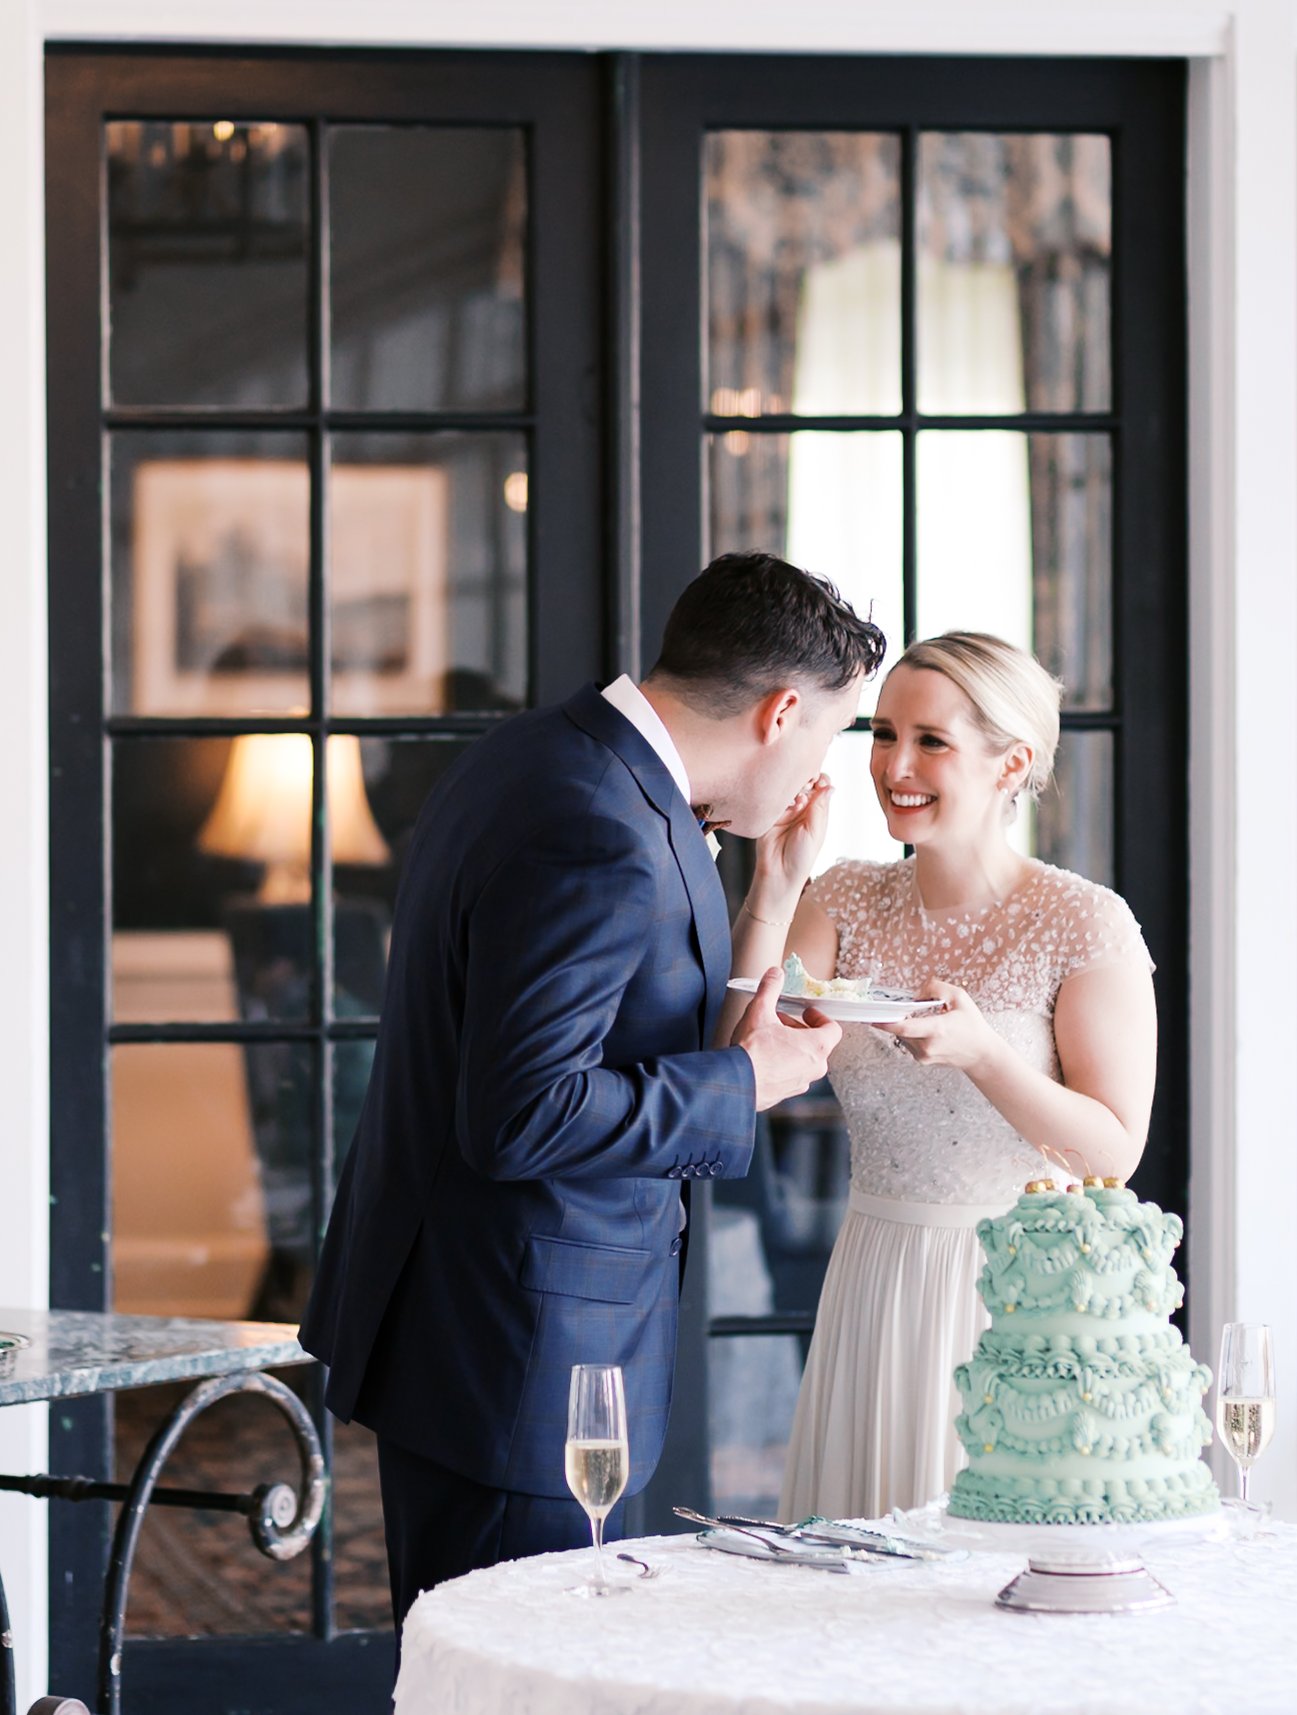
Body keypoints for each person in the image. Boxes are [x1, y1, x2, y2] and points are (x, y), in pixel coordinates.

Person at [302, 553, 885, 1625]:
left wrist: (778, 888)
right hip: (520, 1356)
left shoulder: (559, 756)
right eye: (831, 736)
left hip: (486, 1331)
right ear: (782, 711)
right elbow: (524, 1111)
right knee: (521, 1700)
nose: (821, 770)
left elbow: (632, 1027)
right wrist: (748, 1081)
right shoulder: (598, 828)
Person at [720, 631, 1157, 1523]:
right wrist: (774, 887)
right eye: (884, 734)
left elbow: (1116, 1148)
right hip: (876, 1278)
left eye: (931, 741)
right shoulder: (840, 897)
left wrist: (984, 1054)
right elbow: (739, 1056)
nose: (896, 764)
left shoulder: (1083, 922)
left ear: (1012, 763)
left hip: (1024, 1298)